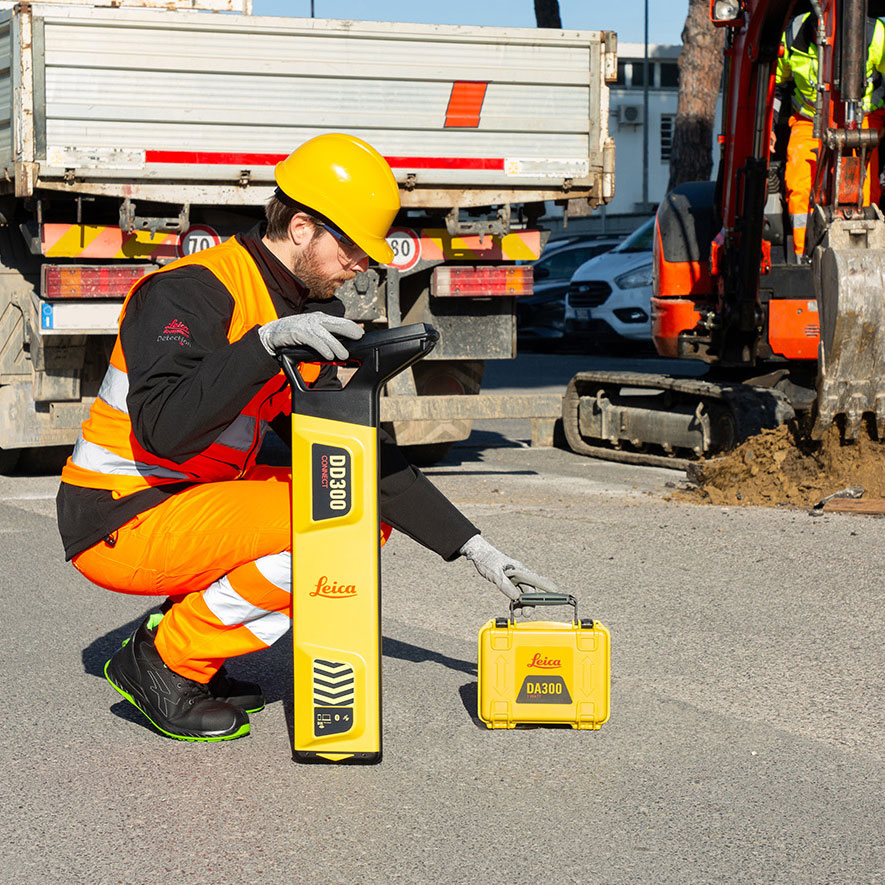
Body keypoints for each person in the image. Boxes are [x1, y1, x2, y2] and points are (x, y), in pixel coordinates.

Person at [56, 133, 555, 742]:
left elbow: (348, 449)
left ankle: (188, 639)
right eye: (351, 247)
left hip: (182, 501)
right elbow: (166, 432)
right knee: (336, 523)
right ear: (300, 229)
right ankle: (168, 658)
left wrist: (475, 548)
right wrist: (263, 346)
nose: (362, 265)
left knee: (351, 502)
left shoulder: (296, 313)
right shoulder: (190, 291)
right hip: (120, 515)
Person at [773, 10, 885, 261]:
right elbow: (776, 84)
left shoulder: (873, 34)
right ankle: (805, 258)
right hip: (809, 119)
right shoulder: (791, 36)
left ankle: (865, 257)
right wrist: (770, 126)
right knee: (799, 182)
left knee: (865, 189)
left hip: (864, 118)